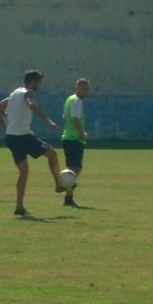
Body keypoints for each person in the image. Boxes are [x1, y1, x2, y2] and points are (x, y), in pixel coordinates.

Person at [0, 69, 64, 219]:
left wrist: (6, 124)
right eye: (38, 82)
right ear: (33, 82)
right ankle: (59, 184)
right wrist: (48, 121)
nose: (39, 85)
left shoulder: (14, 93)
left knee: (24, 172)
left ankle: (19, 207)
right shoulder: (28, 93)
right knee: (52, 154)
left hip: (11, 137)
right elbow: (31, 104)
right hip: (23, 137)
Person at [60, 77, 90, 208]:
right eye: (83, 88)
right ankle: (65, 188)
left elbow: (64, 117)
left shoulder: (69, 99)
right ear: (77, 88)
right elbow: (75, 118)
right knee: (74, 169)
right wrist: (81, 133)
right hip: (74, 138)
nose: (85, 91)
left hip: (68, 137)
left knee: (74, 168)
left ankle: (68, 195)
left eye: (87, 89)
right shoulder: (77, 101)